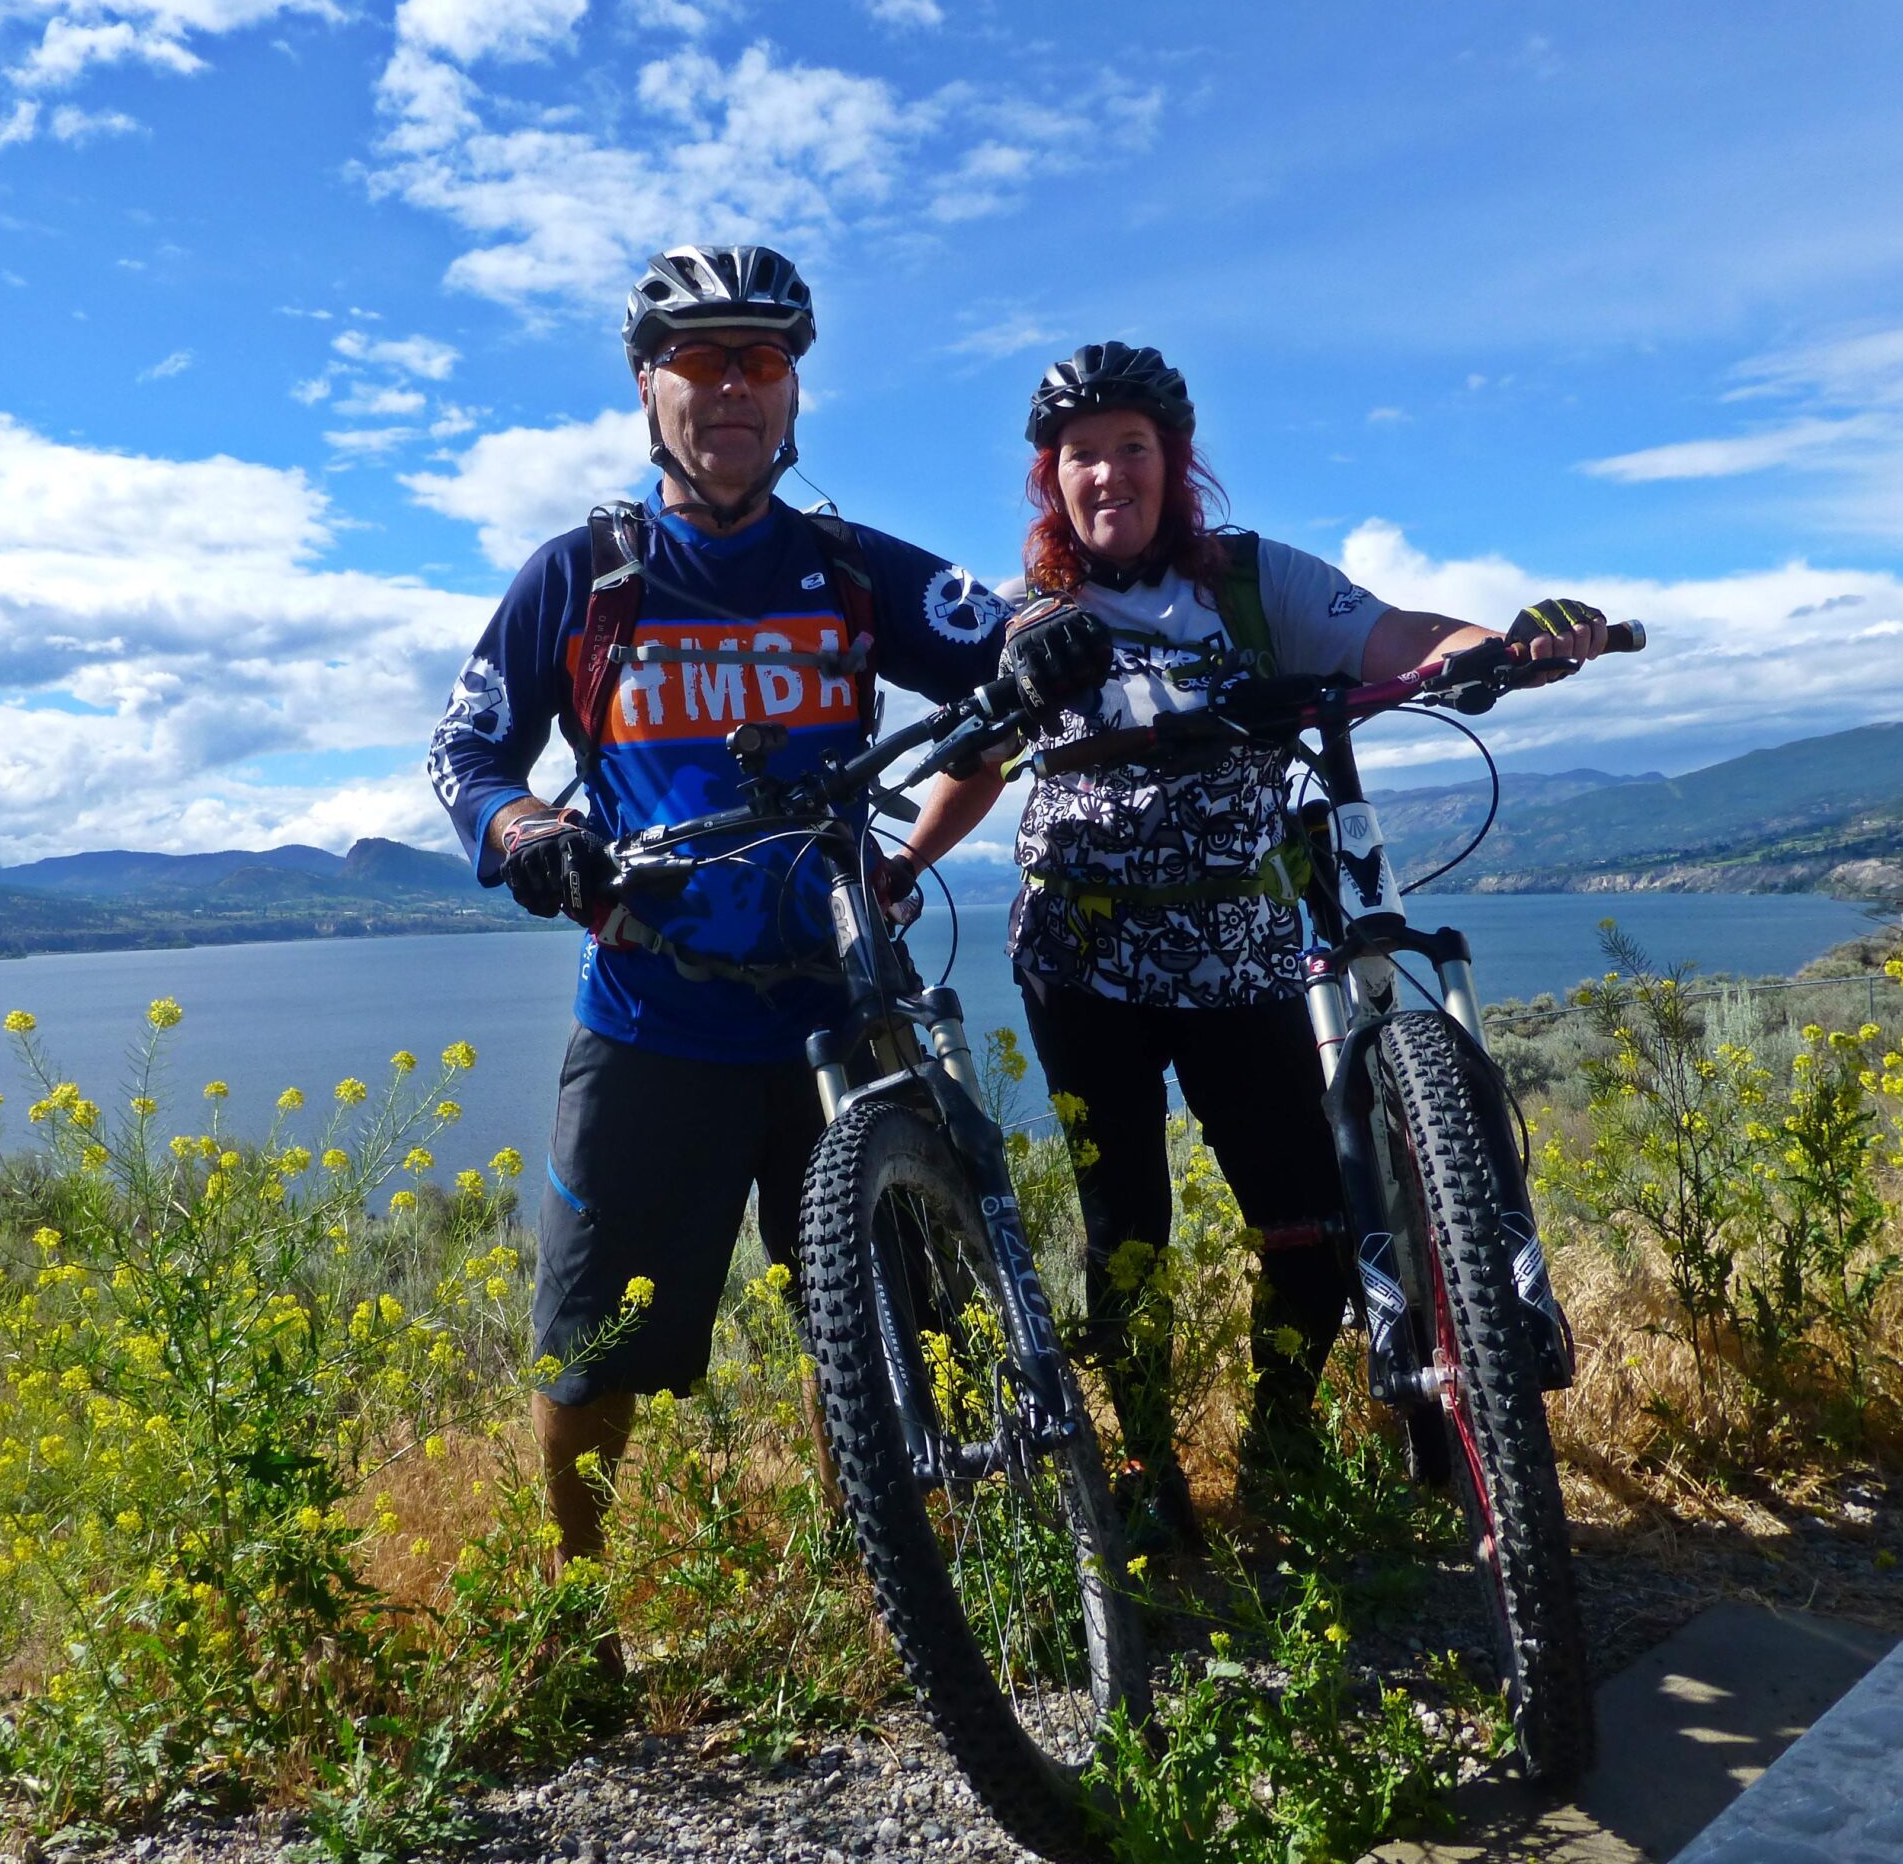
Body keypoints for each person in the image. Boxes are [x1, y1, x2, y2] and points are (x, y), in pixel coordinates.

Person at [425, 246, 1110, 1570]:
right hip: (651, 1018)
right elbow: (470, 751)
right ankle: (580, 1619)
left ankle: (898, 1590)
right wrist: (525, 831)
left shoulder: (849, 568)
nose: (732, 386)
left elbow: (1000, 627)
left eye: (765, 361)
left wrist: (1040, 636)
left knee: (875, 1333)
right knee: (591, 1356)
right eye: (699, 358)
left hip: (842, 1013)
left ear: (793, 395)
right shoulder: (582, 578)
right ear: (647, 386)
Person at [881, 341, 1611, 1537]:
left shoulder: (1254, 582)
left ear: (1175, 463)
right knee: (1129, 1235)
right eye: (1082, 458)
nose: (1110, 475)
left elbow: (1395, 637)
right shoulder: (1029, 621)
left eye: (1134, 450)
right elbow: (977, 762)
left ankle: (1279, 1440)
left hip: (1246, 954)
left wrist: (1500, 642)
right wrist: (907, 861)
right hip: (1082, 964)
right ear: (1049, 483)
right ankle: (1152, 1473)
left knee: (1312, 1217)